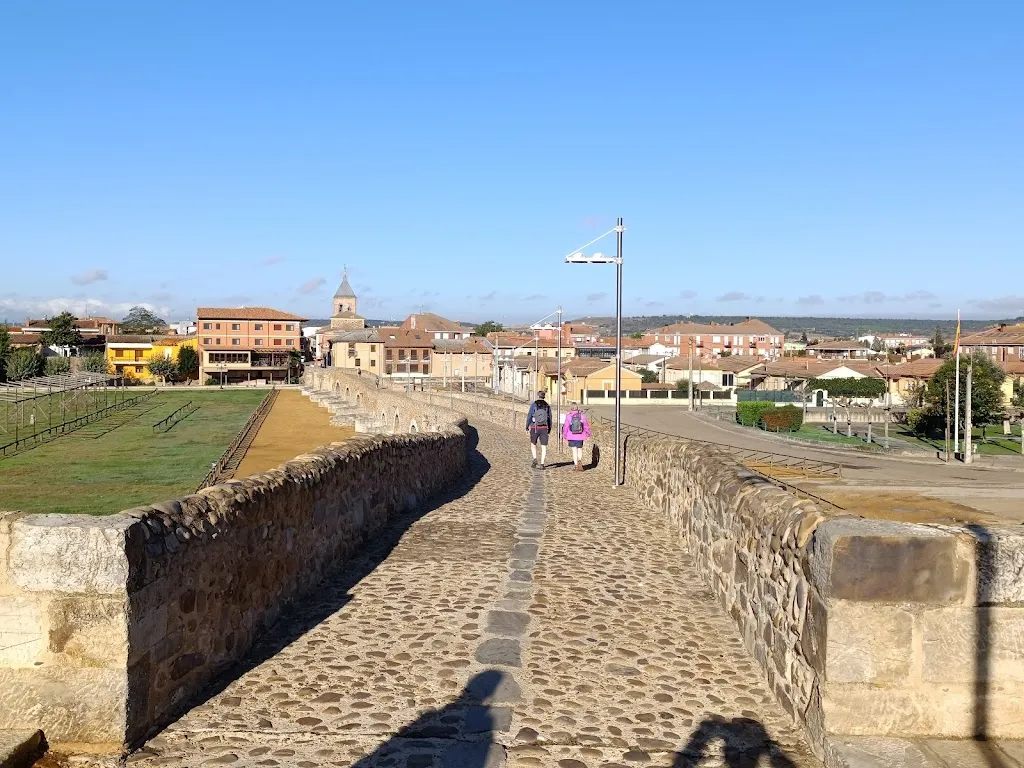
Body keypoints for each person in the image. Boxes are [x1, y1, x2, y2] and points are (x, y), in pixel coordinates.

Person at [526, 390, 552, 469]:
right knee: (544, 446)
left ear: (538, 396)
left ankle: (535, 458)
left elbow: (529, 416)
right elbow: (550, 418)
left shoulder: (534, 405)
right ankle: (542, 463)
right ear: (544, 396)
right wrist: (549, 428)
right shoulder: (547, 406)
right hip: (544, 427)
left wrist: (527, 426)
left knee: (533, 443)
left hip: (535, 427)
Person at [562, 402, 591, 471]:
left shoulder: (568, 416)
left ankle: (576, 465)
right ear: (577, 408)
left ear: (571, 408)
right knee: (579, 449)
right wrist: (587, 434)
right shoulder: (582, 416)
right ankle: (580, 461)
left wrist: (564, 435)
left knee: (574, 450)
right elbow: (586, 426)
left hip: (571, 436)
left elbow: (565, 427)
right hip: (580, 436)